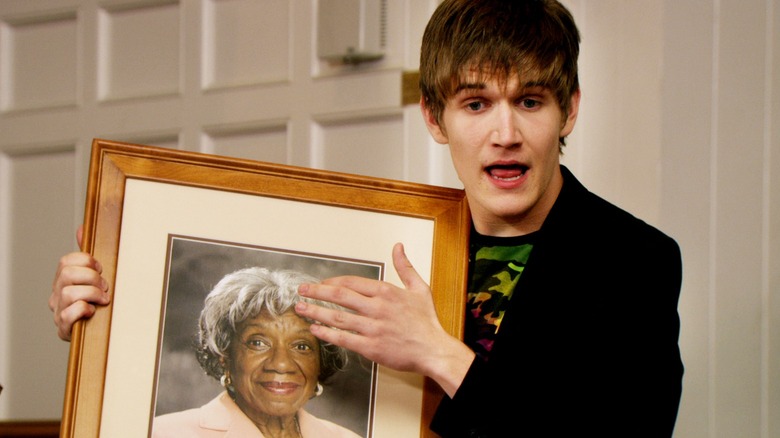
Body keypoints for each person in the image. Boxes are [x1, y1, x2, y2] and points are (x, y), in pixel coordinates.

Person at [50, 1, 683, 436]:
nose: (505, 132)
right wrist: (107, 311)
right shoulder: (393, 244)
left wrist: (441, 355)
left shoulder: (636, 263)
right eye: (476, 103)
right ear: (434, 118)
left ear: (568, 111)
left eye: (531, 101)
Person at [152, 266, 362, 438]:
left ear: (320, 363)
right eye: (258, 343)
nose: (281, 364)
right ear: (225, 355)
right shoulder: (163, 433)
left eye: (301, 346)